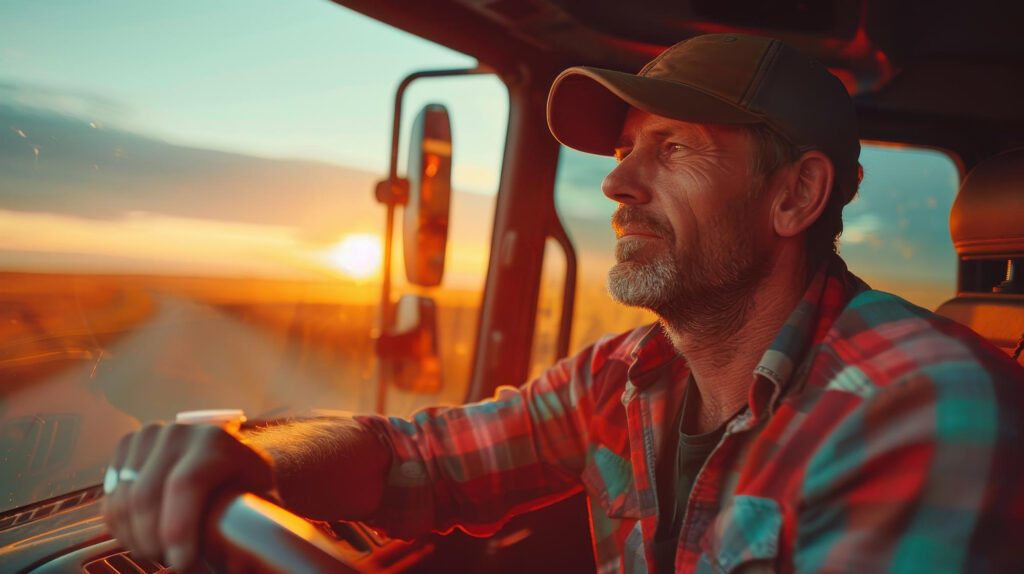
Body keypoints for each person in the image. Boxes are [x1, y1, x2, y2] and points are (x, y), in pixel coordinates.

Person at [102, 34, 1024, 573]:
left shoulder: (926, 406)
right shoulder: (627, 377)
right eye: (625, 148)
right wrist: (250, 462)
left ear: (795, 198)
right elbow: (411, 460)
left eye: (671, 149)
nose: (617, 182)